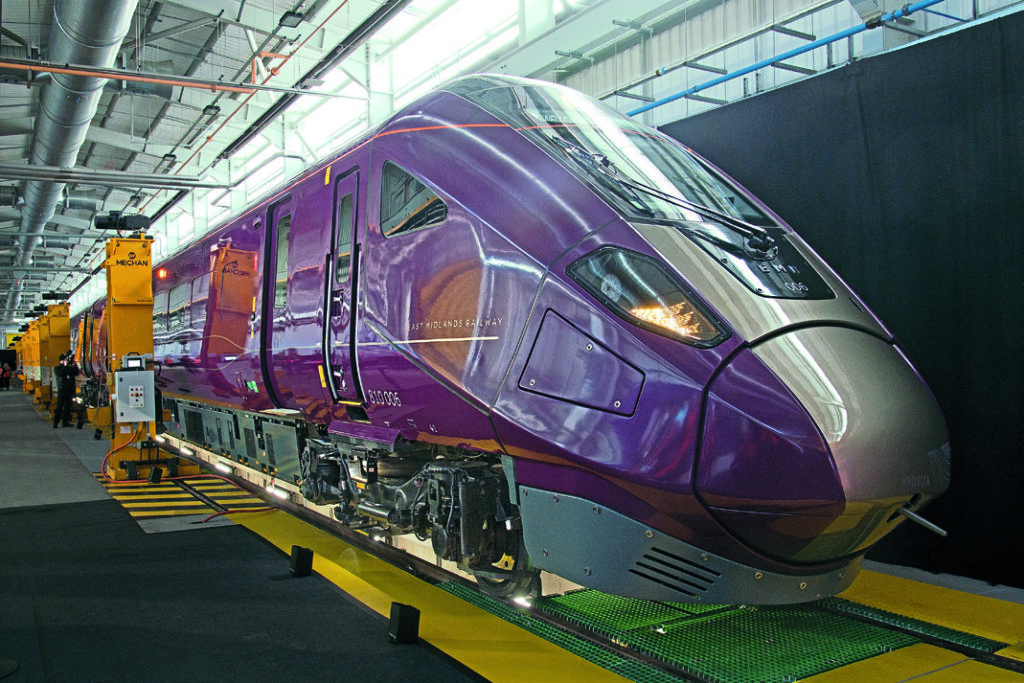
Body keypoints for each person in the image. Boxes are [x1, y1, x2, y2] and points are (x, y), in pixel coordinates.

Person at [52, 352, 79, 428]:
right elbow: (61, 373)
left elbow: (76, 372)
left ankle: (65, 422)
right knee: (59, 407)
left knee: (68, 407)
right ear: (60, 361)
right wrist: (66, 365)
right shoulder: (57, 368)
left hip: (69, 390)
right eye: (64, 360)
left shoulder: (68, 368)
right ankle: (55, 423)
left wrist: (73, 364)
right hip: (62, 390)